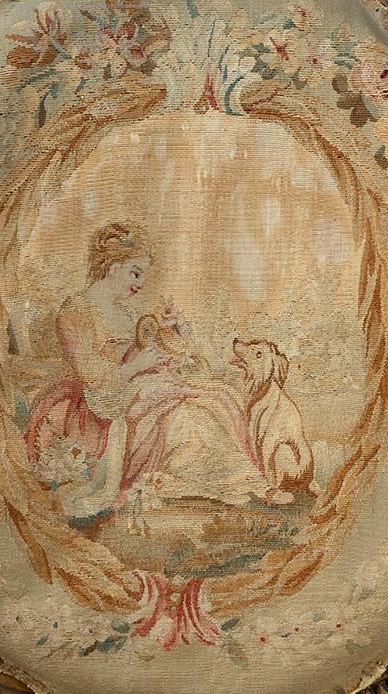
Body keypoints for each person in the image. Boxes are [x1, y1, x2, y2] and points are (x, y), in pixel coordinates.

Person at [24, 221, 267, 522]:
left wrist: (174, 330)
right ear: (113, 267)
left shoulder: (128, 312)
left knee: (216, 397)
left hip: (142, 387)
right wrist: (136, 367)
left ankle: (245, 479)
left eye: (143, 276)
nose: (140, 284)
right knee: (185, 414)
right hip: (104, 399)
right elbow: (90, 372)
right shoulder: (75, 311)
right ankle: (217, 481)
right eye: (135, 273)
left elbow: (157, 352)